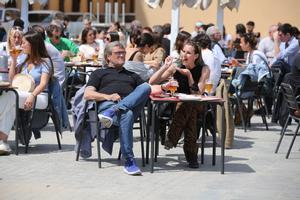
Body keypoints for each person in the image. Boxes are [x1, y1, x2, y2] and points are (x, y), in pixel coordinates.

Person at [83, 41, 151, 175]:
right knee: (128, 114)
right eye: (118, 53)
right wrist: (107, 97)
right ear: (108, 56)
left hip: (117, 110)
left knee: (146, 87)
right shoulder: (99, 73)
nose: (122, 55)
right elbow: (87, 94)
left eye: (123, 53)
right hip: (108, 105)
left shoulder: (132, 75)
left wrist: (165, 85)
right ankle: (129, 161)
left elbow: (148, 89)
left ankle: (115, 111)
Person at [149, 40, 210, 168]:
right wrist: (165, 66)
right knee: (189, 112)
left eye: (188, 53)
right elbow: (152, 81)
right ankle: (191, 156)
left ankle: (172, 137)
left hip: (198, 104)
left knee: (190, 103)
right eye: (183, 51)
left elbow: (198, 94)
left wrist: (189, 76)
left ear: (196, 56)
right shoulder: (175, 66)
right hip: (179, 105)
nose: (184, 55)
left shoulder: (204, 69)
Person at [0, 31, 52, 155]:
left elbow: (43, 83)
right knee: (11, 99)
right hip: (20, 94)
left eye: (24, 43)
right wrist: (13, 60)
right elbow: (12, 80)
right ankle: (3, 142)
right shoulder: (23, 59)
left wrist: (32, 95)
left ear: (33, 45)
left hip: (39, 96)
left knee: (11, 95)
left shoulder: (45, 61)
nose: (21, 45)